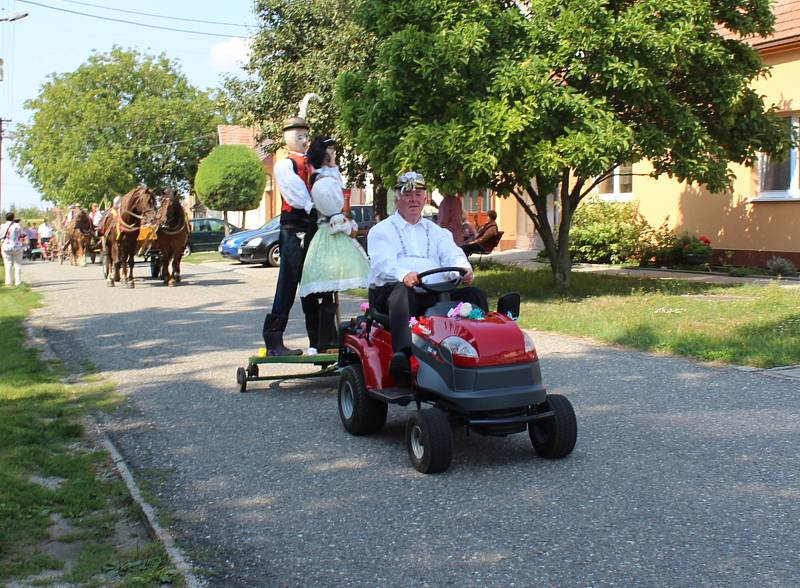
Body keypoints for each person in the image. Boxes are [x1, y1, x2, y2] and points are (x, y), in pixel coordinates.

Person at [368, 172, 488, 386]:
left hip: (434, 293)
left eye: (418, 194)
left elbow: (453, 254)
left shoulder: (437, 232)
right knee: (402, 292)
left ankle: (479, 355)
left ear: (426, 198)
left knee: (474, 295)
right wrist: (404, 274)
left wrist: (463, 269)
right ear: (397, 198)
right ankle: (403, 358)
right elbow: (382, 264)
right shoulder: (381, 231)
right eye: (408, 194)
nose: (413, 199)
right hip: (393, 293)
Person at [299, 136, 370, 353]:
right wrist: (348, 226)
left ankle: (331, 337)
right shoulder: (324, 183)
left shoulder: (327, 180)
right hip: (329, 239)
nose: (335, 155)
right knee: (329, 286)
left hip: (331, 235)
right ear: (324, 155)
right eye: (331, 151)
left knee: (332, 289)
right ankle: (326, 339)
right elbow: (333, 215)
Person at [262, 115, 320, 356]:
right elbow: (296, 194)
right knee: (289, 281)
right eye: (298, 135)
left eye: (306, 135)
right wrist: (313, 207)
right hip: (294, 228)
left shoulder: (314, 162)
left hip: (314, 227)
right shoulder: (285, 165)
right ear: (287, 138)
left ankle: (319, 339)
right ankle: (274, 341)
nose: (303, 139)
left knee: (315, 283)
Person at [1, 212, 25, 286]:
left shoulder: (2, 226)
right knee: (17, 265)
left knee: (8, 265)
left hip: (6, 247)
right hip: (17, 247)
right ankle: (18, 282)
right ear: (13, 217)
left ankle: (9, 282)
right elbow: (23, 235)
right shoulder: (18, 226)